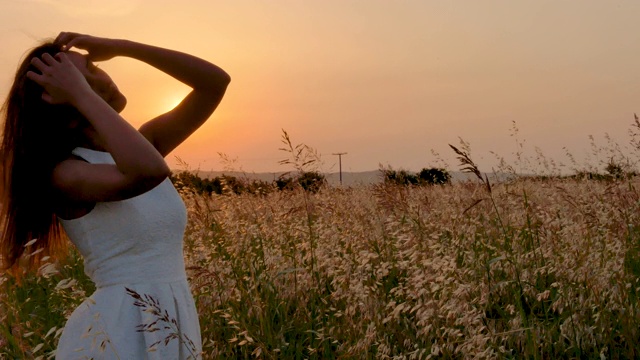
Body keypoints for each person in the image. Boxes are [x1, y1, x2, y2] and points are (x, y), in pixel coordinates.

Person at [0, 32, 230, 359]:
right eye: (86, 76)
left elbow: (214, 83)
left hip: (169, 321)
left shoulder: (138, 146)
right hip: (120, 330)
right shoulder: (67, 173)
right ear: (65, 98)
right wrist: (81, 93)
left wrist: (123, 47)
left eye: (94, 67)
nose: (103, 76)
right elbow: (148, 172)